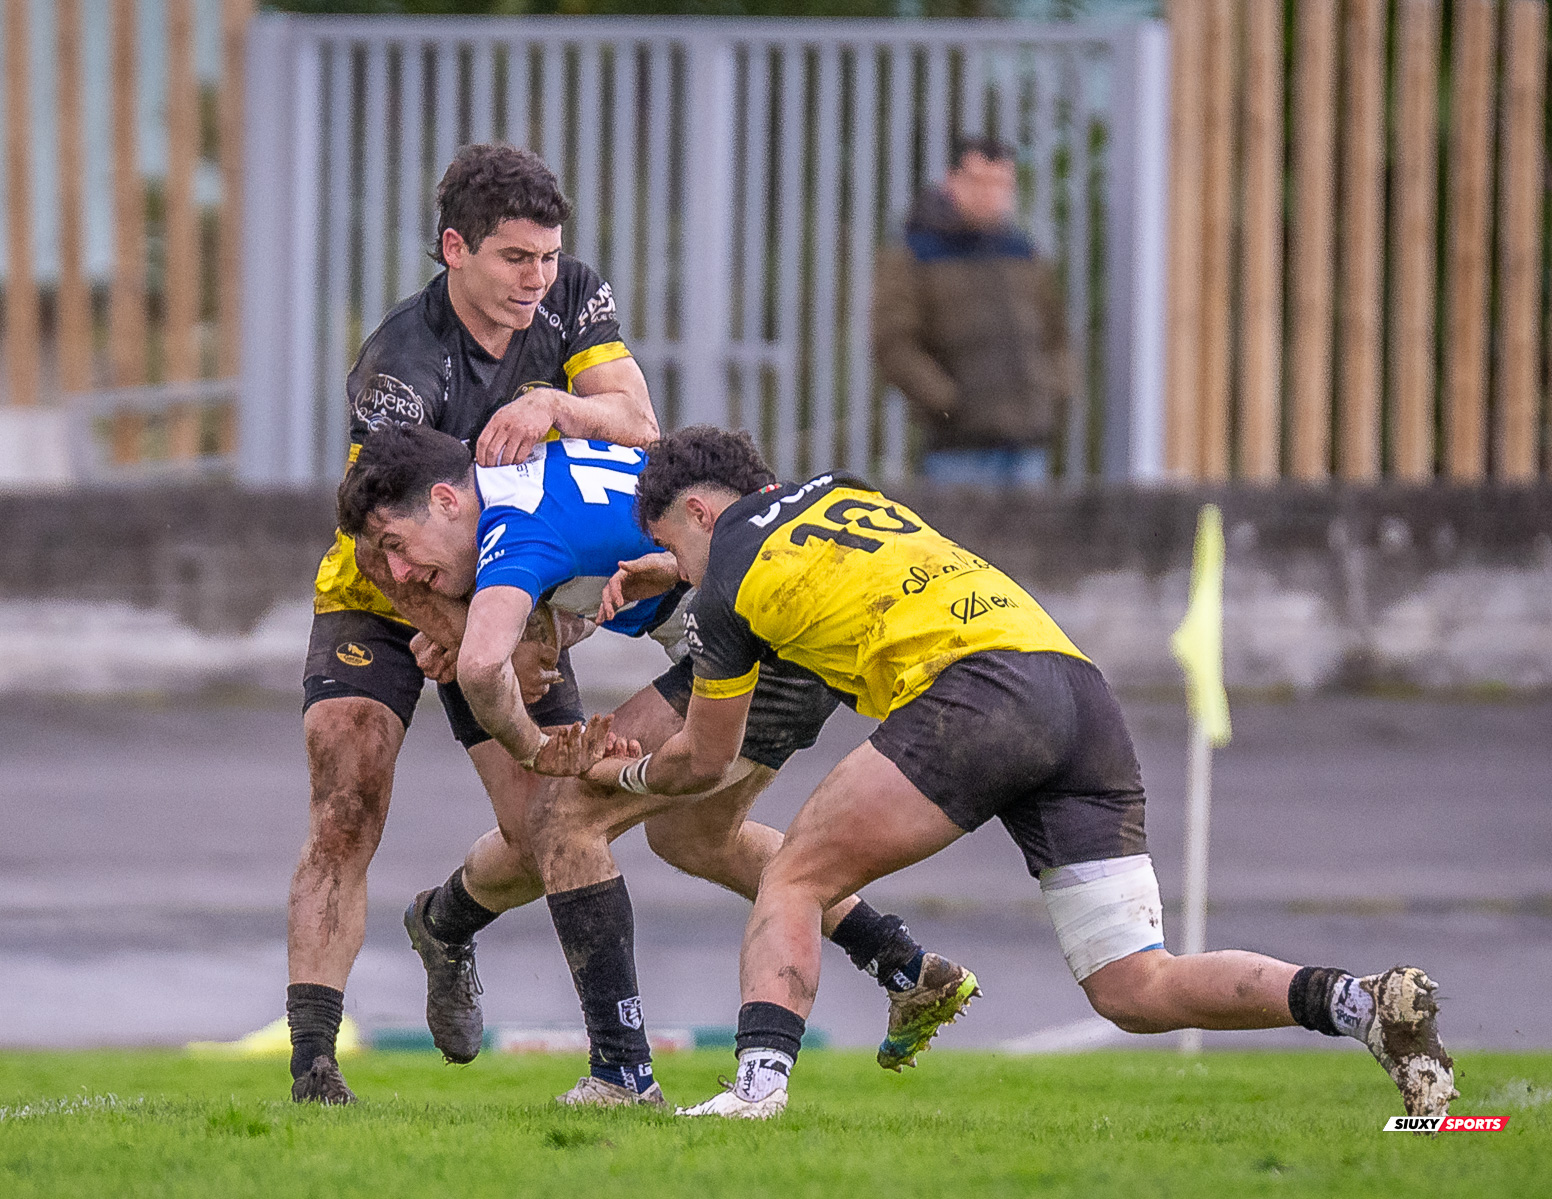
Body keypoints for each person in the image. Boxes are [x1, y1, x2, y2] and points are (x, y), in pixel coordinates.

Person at [564, 425, 1456, 1121]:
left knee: (794, 875)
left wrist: (628, 775)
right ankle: (1361, 1002)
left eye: (668, 543)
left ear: (697, 513)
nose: (677, 570)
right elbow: (796, 557)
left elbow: (707, 758)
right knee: (1134, 987)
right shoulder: (837, 488)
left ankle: (756, 1091)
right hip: (1075, 688)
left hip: (977, 692)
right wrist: (684, 571)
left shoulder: (722, 579)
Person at [337, 422, 977, 1106]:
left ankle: (620, 1073)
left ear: (445, 499)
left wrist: (534, 746)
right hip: (794, 643)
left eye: (399, 548)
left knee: (562, 818)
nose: (402, 575)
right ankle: (901, 962)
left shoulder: (510, 530)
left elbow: (483, 664)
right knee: (692, 836)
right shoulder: (538, 467)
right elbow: (620, 539)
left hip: (759, 647)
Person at [286, 144, 661, 1105]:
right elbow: (380, 537)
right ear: (454, 248)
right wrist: (452, 631)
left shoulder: (570, 296)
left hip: (508, 587)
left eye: (546, 257)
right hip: (381, 594)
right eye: (511, 259)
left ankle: (444, 924)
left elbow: (640, 428)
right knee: (348, 802)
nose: (534, 280)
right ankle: (315, 1068)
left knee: (552, 830)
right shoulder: (398, 368)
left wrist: (552, 403)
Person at [871, 136, 1068, 488]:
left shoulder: (1023, 255)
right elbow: (894, 344)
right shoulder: (916, 254)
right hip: (957, 452)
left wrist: (1050, 389)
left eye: (1001, 184)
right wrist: (947, 402)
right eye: (979, 182)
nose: (991, 194)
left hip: (1027, 448)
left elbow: (1058, 337)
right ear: (952, 181)